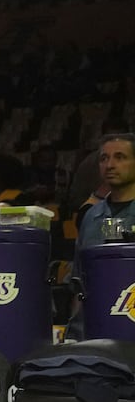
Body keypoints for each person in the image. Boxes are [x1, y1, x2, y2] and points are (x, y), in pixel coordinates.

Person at [68, 133, 135, 337]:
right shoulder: (90, 217)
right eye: (104, 158)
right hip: (95, 333)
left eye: (120, 157)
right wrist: (74, 335)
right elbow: (79, 283)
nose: (110, 165)